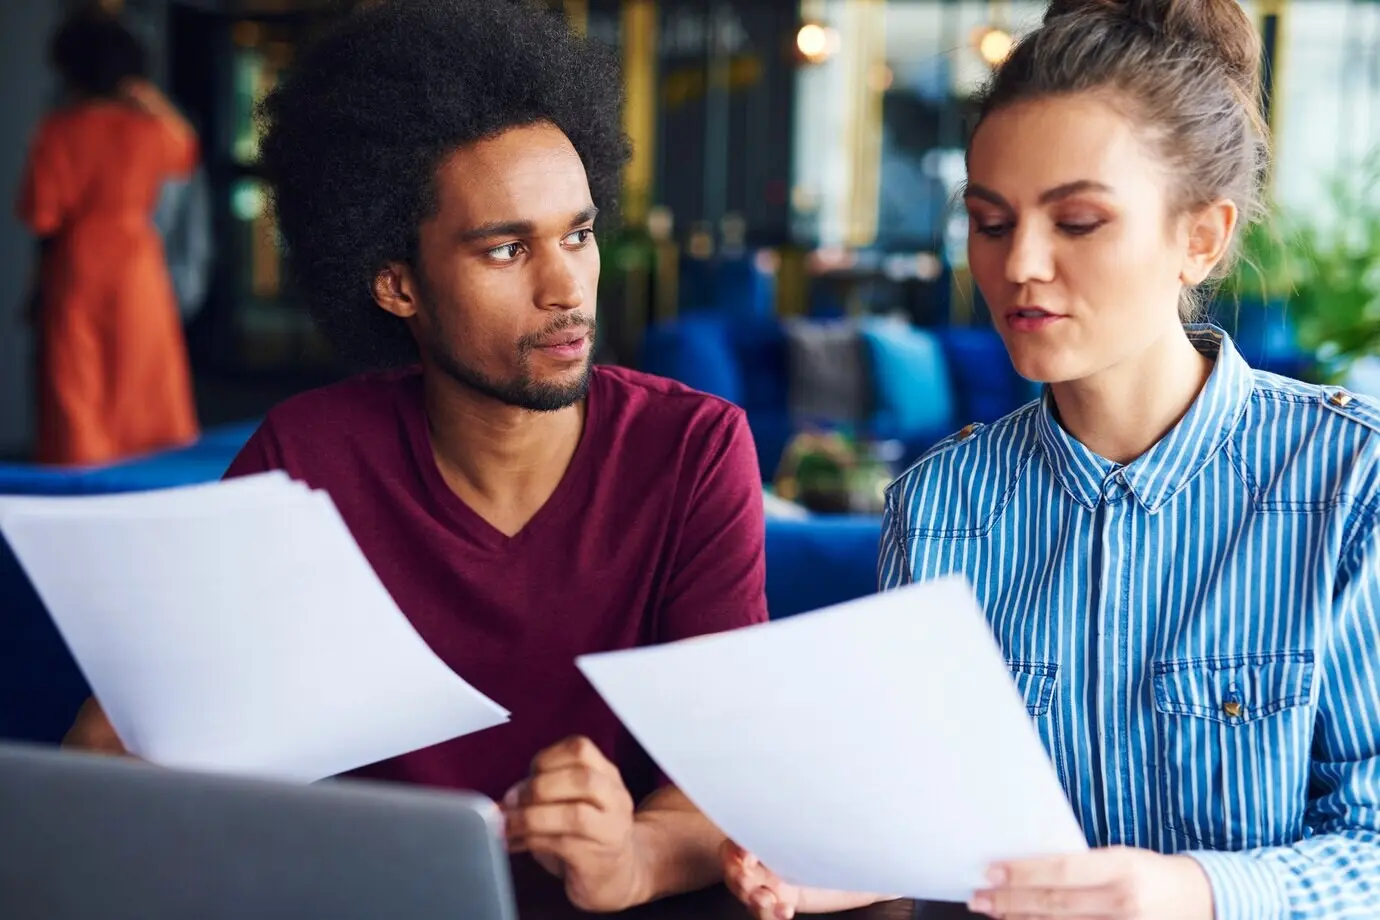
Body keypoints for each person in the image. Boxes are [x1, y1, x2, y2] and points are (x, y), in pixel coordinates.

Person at [62, 0, 766, 911]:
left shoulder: (693, 448)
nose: (565, 288)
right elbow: (115, 760)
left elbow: (732, 789)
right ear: (398, 284)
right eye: (507, 248)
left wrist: (627, 856)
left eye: (579, 235)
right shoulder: (309, 458)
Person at [724, 1, 1380, 919]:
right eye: (991, 224)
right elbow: (934, 820)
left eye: (1076, 222)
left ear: (1202, 236)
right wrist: (833, 865)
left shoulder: (1354, 489)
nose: (1020, 265)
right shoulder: (940, 504)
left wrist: (1189, 893)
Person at [17, 9, 200, 466]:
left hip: (76, 262)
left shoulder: (57, 130)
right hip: (138, 259)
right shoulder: (149, 129)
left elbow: (41, 215)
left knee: (76, 380)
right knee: (141, 370)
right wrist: (149, 98)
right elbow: (186, 149)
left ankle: (81, 467)